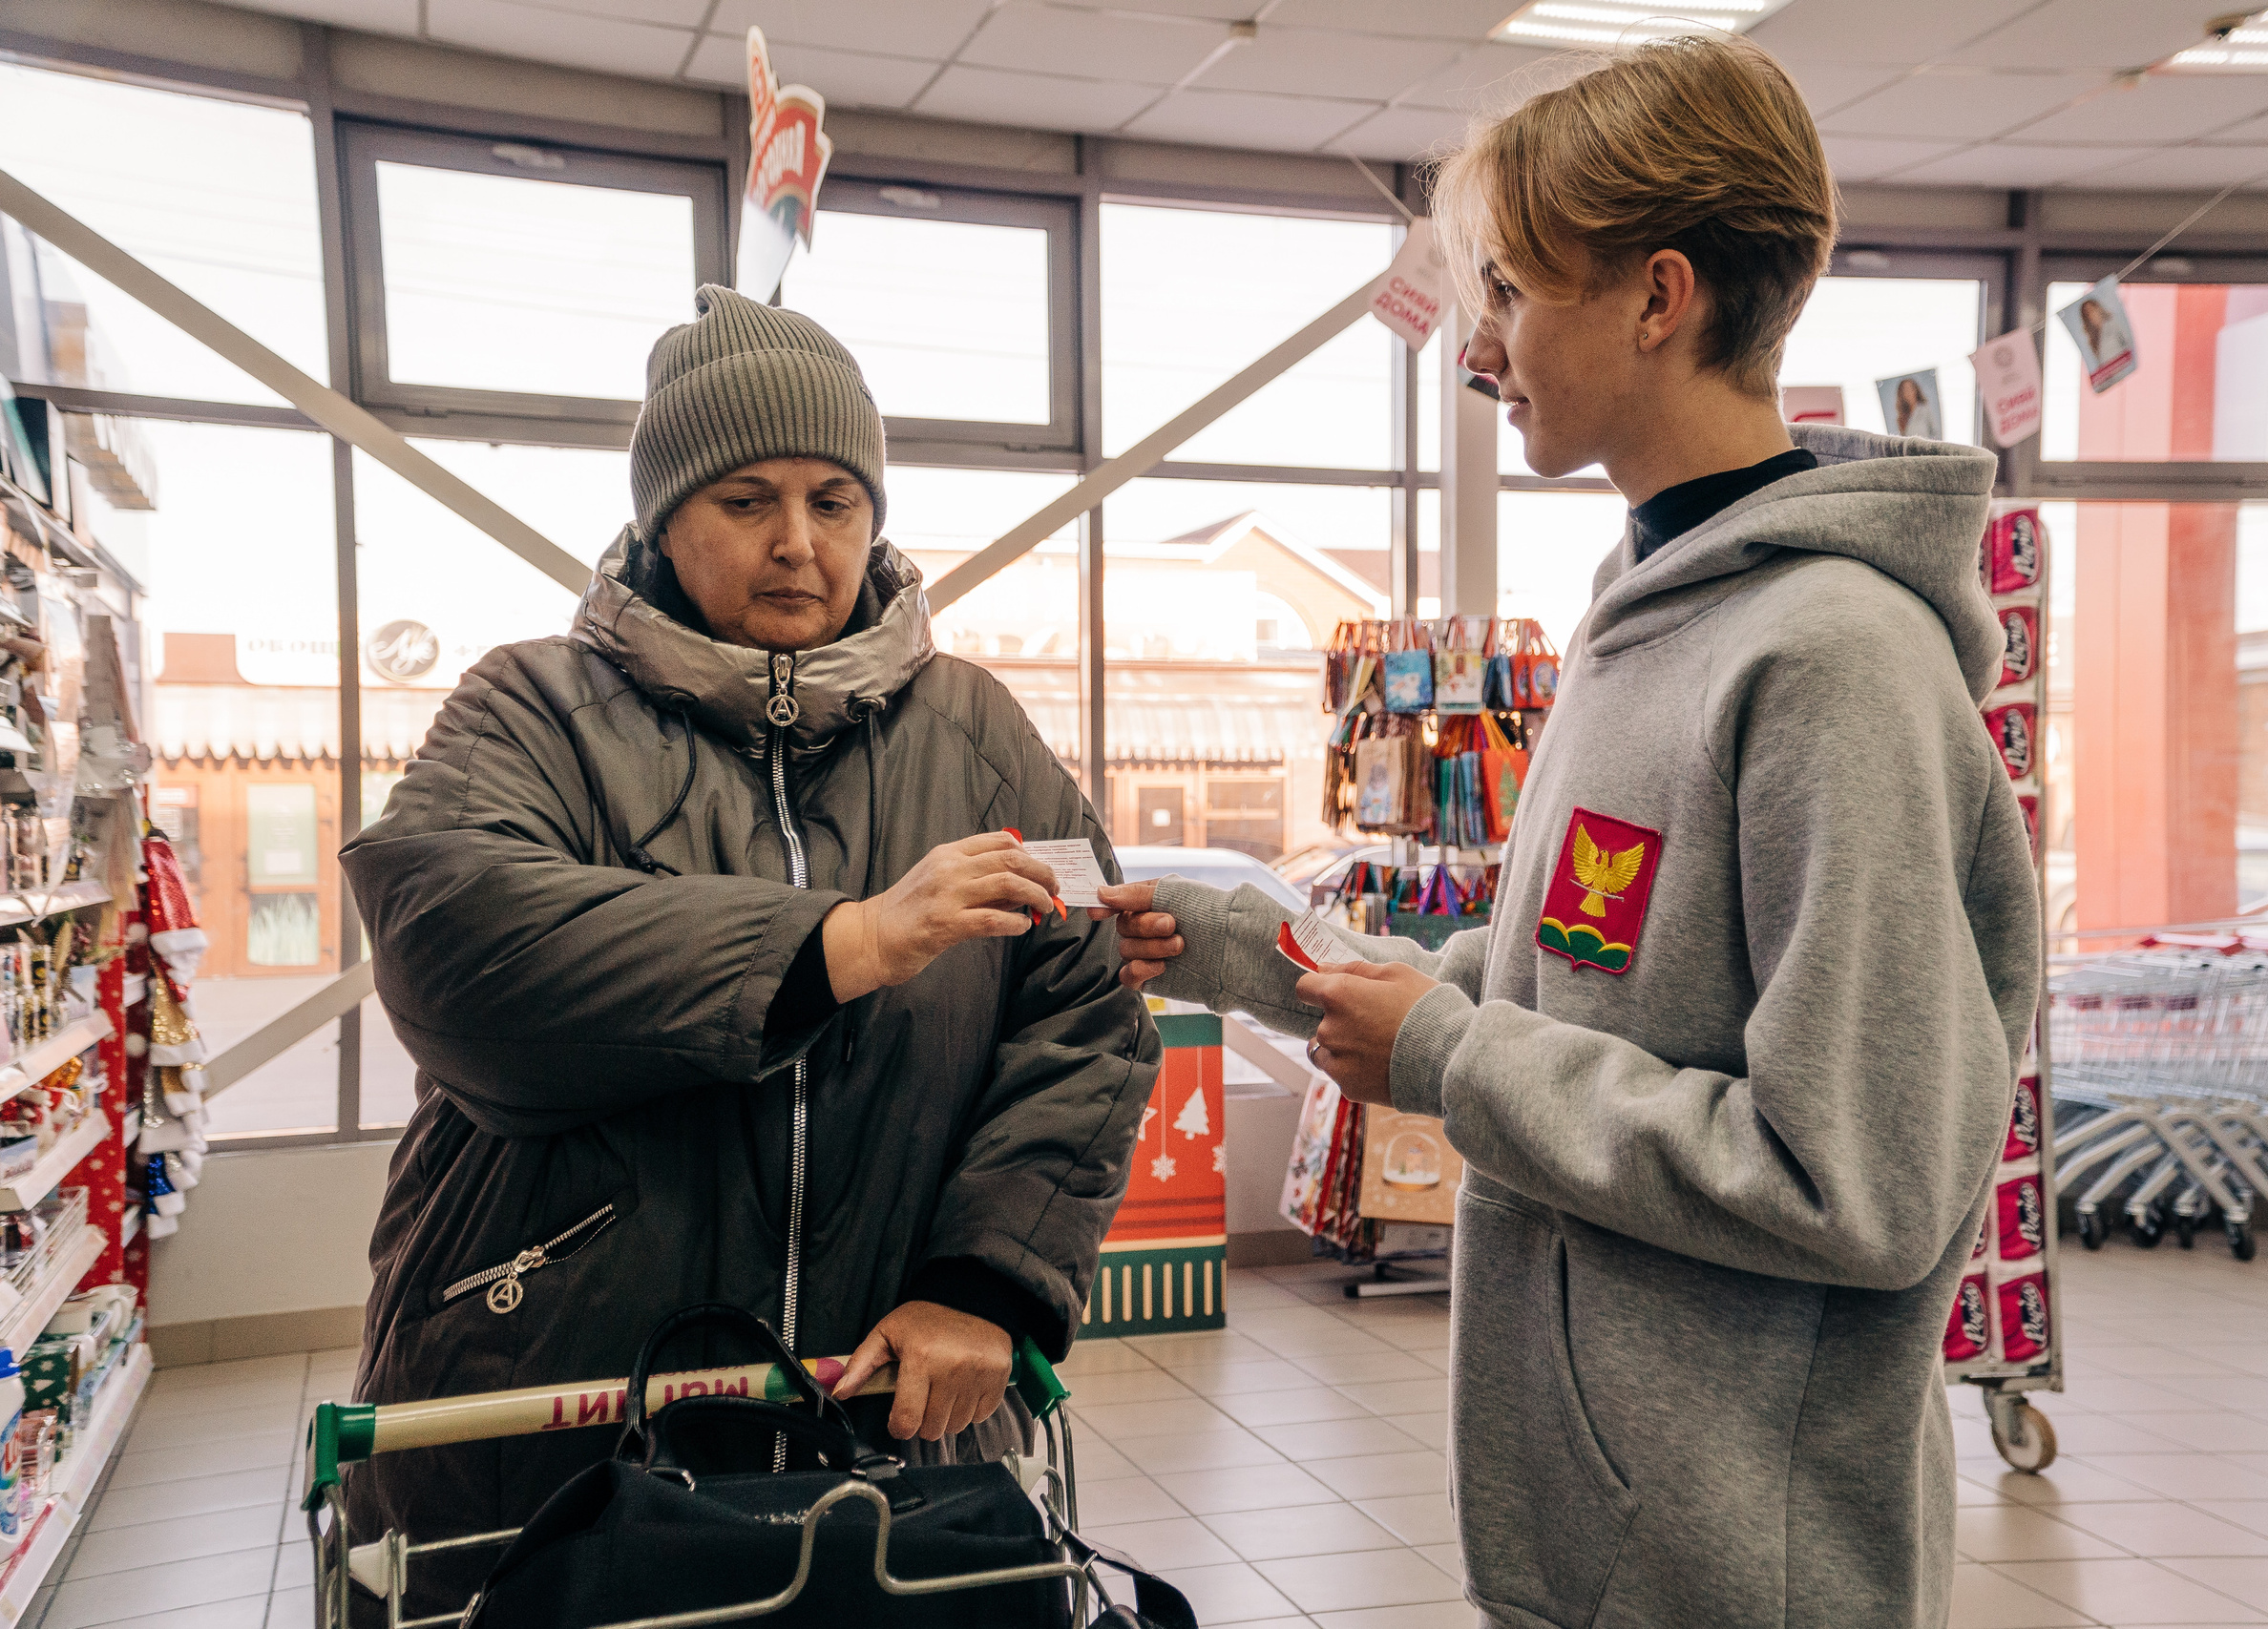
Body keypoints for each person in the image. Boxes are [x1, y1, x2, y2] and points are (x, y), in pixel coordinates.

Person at [1101, 33, 2043, 1629]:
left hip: (1748, 1569)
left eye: (1516, 293)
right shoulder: (1648, 619)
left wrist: (1455, 1063)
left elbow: (1859, 1185)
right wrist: (1246, 952)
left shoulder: (1829, 665)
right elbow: (1572, 973)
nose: (1481, 350)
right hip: (1602, 1544)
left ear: (1659, 297)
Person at [342, 286, 1161, 1615]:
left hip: (883, 1437)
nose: (798, 543)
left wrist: (985, 1283)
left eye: (835, 500)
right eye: (745, 499)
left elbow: (1082, 1009)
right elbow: (456, 944)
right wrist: (833, 946)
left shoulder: (976, 732)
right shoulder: (534, 706)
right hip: (552, 1430)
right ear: (665, 519)